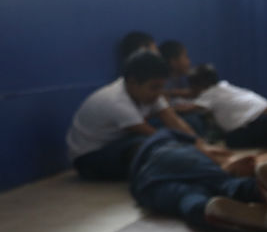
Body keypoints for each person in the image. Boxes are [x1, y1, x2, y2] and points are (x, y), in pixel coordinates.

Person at [128, 129, 267, 232]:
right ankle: (258, 189)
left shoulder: (136, 173)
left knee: (186, 198)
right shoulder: (164, 136)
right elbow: (205, 149)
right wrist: (228, 162)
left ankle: (208, 209)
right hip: (173, 154)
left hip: (148, 183)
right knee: (223, 183)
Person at [66, 51, 197, 181]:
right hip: (89, 160)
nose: (158, 93)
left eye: (161, 87)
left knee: (187, 123)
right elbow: (153, 135)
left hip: (118, 143)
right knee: (147, 145)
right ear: (132, 82)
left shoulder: (150, 93)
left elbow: (173, 121)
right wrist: (193, 151)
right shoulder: (116, 101)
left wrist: (199, 143)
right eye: (154, 87)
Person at [179, 64, 267, 149]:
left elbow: (189, 108)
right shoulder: (223, 87)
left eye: (192, 86)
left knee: (231, 142)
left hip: (256, 124)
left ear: (198, 85)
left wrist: (168, 108)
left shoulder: (209, 94)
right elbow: (191, 94)